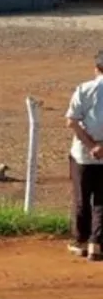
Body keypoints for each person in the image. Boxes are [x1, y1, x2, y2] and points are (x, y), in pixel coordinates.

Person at [64, 50, 103, 261]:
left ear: (96, 68)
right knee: (102, 201)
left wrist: (91, 146)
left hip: (82, 155)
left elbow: (72, 121)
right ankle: (96, 245)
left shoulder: (85, 89)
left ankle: (80, 241)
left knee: (81, 198)